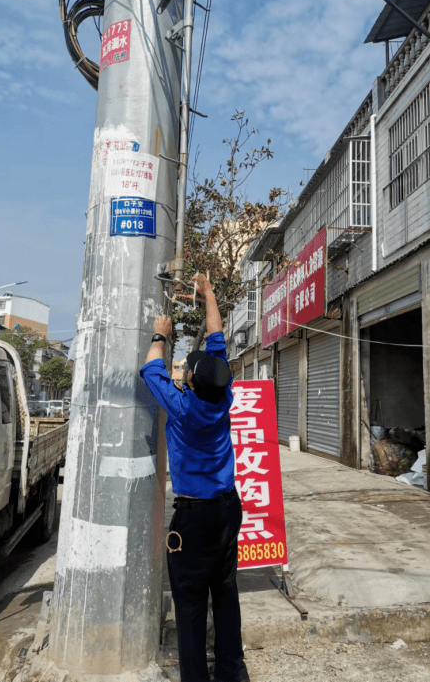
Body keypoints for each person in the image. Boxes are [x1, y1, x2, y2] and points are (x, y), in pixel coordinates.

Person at [140, 273, 249, 682]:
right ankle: (231, 673)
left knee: (189, 605)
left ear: (189, 382)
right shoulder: (222, 396)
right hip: (227, 510)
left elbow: (151, 371)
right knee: (224, 594)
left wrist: (160, 334)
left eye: (187, 369)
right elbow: (217, 342)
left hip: (195, 517)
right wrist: (210, 296)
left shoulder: (184, 408)